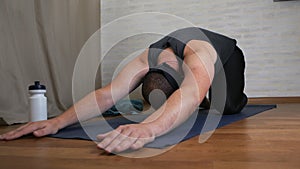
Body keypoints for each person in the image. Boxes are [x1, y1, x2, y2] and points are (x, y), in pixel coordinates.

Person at [0, 27, 247, 153]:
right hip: (190, 74)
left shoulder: (199, 55)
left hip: (227, 60)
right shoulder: (147, 59)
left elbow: (189, 95)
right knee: (194, 95)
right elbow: (107, 94)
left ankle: (211, 92)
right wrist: (57, 121)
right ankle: (200, 88)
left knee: (226, 108)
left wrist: (150, 127)